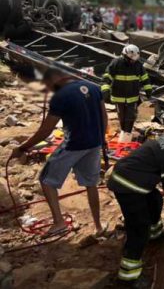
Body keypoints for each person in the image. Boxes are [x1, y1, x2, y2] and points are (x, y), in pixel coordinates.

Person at [10, 68, 107, 238]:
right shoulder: (93, 87)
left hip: (73, 145)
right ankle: (98, 226)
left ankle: (59, 222)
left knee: (46, 180)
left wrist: (23, 148)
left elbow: (46, 129)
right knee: (91, 184)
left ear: (54, 80)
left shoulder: (60, 97)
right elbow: (103, 116)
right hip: (94, 143)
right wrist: (101, 138)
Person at [107, 131, 164, 283]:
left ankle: (154, 234)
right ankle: (129, 276)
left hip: (129, 176)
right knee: (138, 229)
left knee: (155, 199)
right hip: (128, 185)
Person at [102, 44, 152, 142]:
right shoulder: (116, 63)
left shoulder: (138, 65)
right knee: (122, 118)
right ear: (125, 55)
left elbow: (145, 78)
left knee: (130, 118)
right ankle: (124, 134)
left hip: (132, 97)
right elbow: (107, 77)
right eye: (131, 59)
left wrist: (148, 90)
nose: (133, 61)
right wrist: (105, 91)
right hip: (118, 97)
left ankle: (126, 136)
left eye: (134, 59)